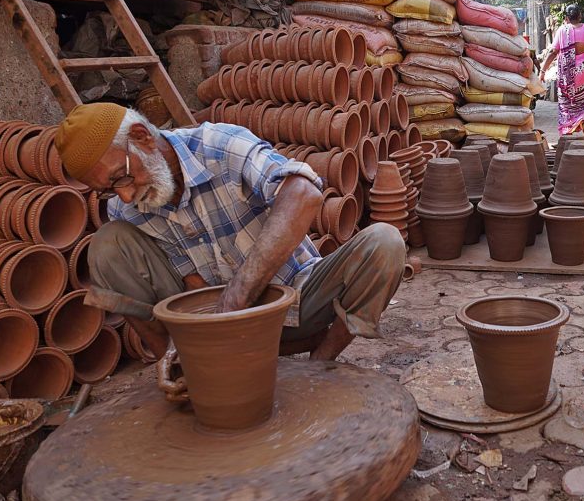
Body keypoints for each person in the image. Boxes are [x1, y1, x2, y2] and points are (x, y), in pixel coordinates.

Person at [54, 102, 405, 361]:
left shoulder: (219, 145)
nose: (125, 195)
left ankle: (321, 362)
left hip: (296, 303)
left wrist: (237, 298)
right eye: (108, 189)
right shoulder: (128, 205)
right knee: (107, 245)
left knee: (384, 243)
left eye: (120, 177)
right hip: (222, 332)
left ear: (143, 137)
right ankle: (184, 370)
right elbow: (190, 282)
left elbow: (304, 193)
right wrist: (197, 344)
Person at [539, 4, 584, 139]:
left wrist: (543, 70)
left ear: (566, 18)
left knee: (566, 105)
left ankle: (570, 130)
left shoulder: (562, 30)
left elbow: (553, 52)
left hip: (568, 79)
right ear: (580, 16)